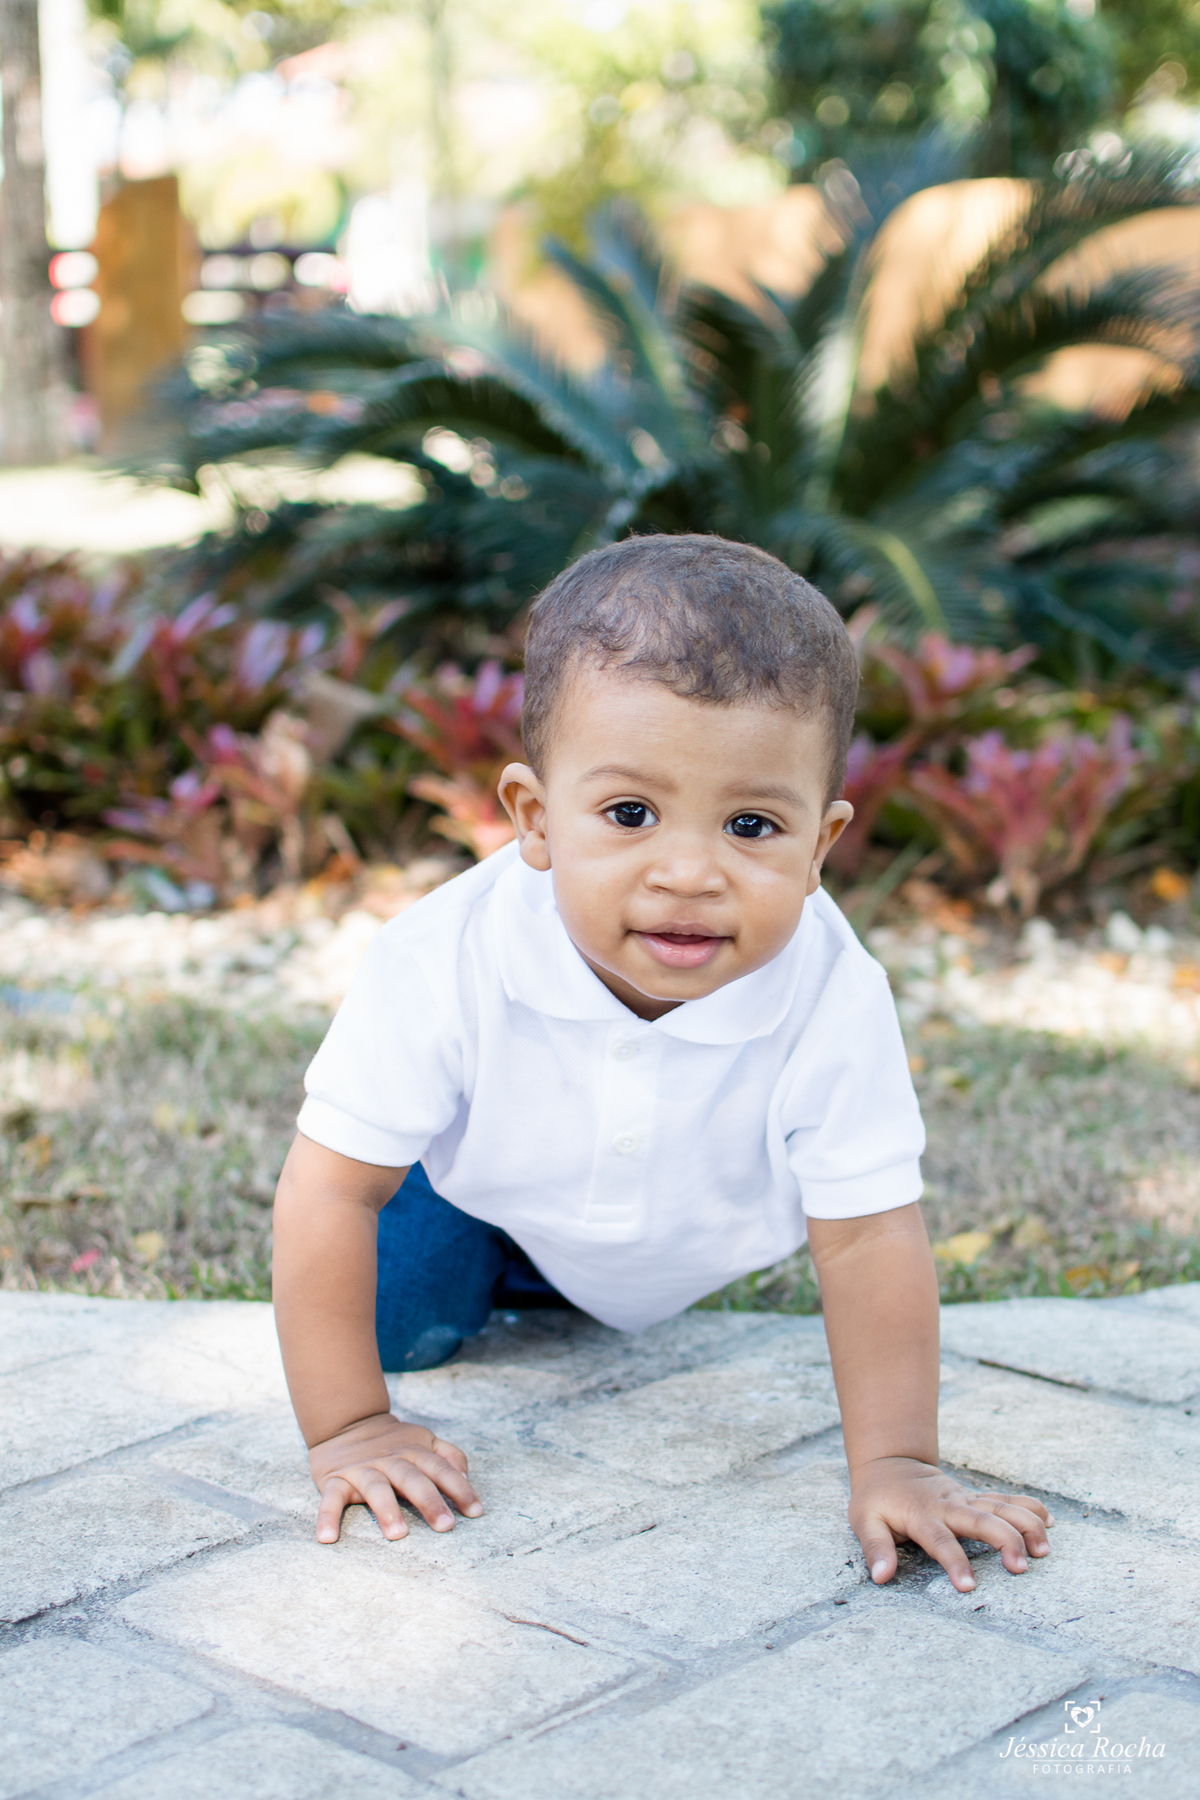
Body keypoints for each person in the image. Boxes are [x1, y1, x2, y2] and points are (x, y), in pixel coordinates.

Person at [272, 533, 1054, 1594]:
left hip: (688, 1221)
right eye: (630, 814)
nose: (689, 872)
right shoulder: (440, 957)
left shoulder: (834, 990)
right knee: (397, 1325)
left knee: (768, 1261)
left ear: (821, 846)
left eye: (750, 824)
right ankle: (510, 1279)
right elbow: (329, 1184)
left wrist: (898, 1463)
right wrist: (352, 1429)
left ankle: (588, 1281)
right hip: (480, 1193)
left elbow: (868, 1235)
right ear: (536, 820)